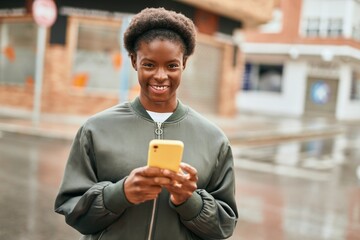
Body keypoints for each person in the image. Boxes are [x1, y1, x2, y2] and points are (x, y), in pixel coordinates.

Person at [54, 7, 238, 240]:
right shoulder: (96, 129)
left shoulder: (214, 140)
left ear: (184, 63)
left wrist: (188, 201)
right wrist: (120, 194)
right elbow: (74, 212)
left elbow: (224, 227)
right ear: (134, 61)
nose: (161, 76)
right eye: (149, 65)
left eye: (172, 66)